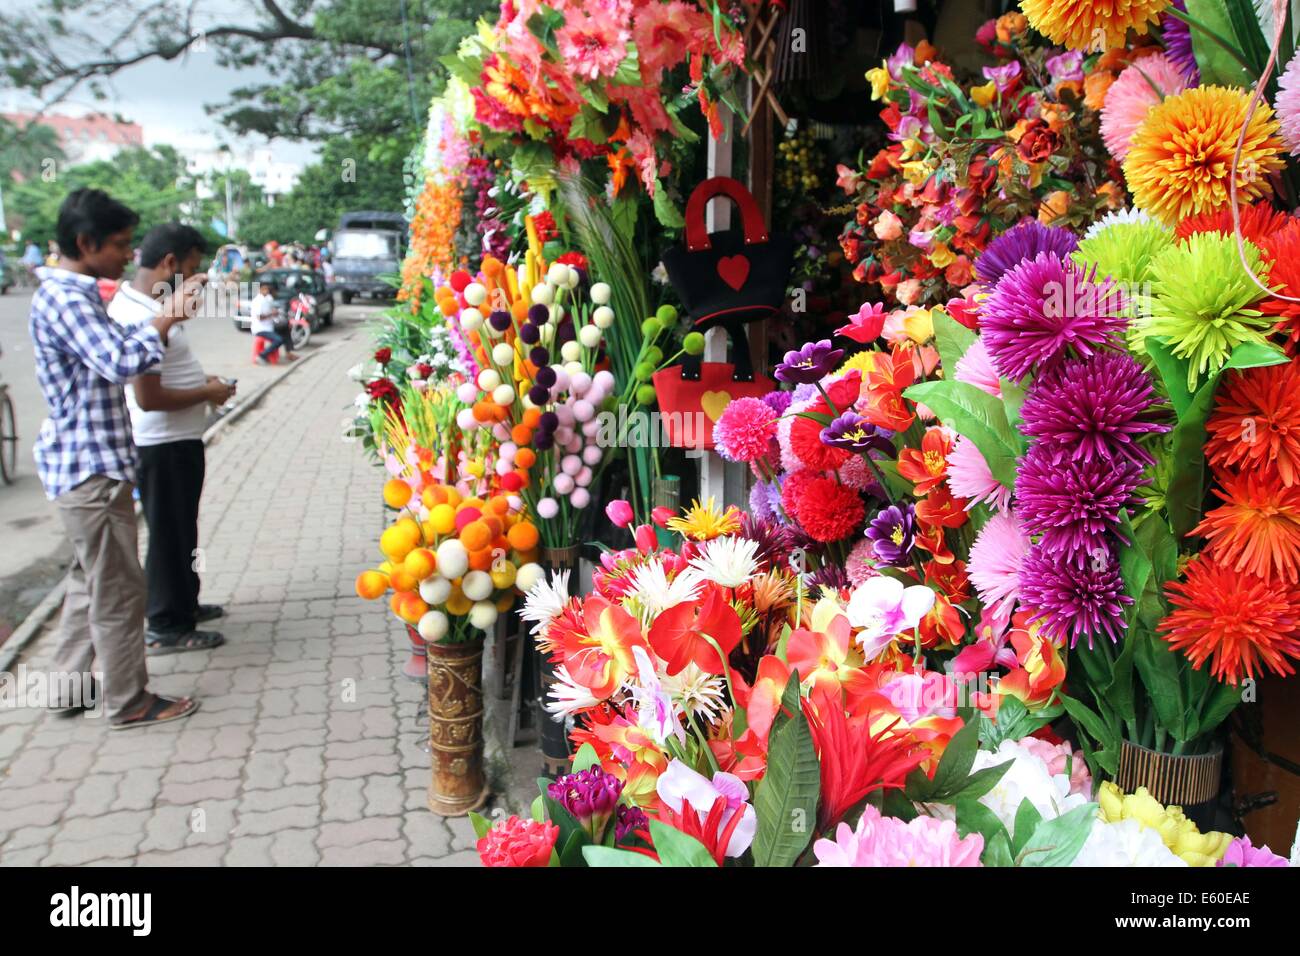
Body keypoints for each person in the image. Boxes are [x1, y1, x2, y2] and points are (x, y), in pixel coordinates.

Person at [29, 188, 208, 729]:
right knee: (118, 591)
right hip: (91, 469)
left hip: (90, 465)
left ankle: (67, 688)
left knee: (89, 583)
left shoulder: (75, 294)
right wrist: (168, 317)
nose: (129, 257)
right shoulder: (66, 298)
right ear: (85, 242)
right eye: (121, 246)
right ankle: (129, 700)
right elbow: (118, 361)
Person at [108, 223, 232, 655]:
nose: (194, 284)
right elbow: (148, 397)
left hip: (177, 440)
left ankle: (184, 604)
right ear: (169, 264)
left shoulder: (150, 305)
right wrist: (208, 392)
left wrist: (203, 381)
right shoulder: (139, 315)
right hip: (160, 444)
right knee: (168, 533)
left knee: (182, 528)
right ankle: (166, 624)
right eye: (191, 271)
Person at [250, 279, 296, 363]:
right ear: (259, 290)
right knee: (279, 340)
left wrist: (275, 312)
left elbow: (270, 310)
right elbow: (259, 317)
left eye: (267, 289)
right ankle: (262, 355)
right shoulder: (258, 301)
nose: (266, 291)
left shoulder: (266, 299)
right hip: (261, 329)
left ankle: (289, 352)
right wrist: (272, 314)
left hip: (269, 326)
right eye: (264, 289)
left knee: (285, 327)